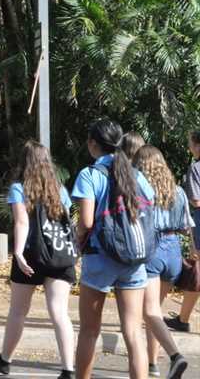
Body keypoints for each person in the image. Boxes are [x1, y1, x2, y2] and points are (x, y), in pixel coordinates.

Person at [0, 141, 76, 379]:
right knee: (60, 313)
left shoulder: (19, 188)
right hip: (59, 254)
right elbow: (66, 223)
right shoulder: (60, 190)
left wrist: (18, 253)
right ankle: (68, 369)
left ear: (24, 162)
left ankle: (5, 360)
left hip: (32, 254)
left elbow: (22, 222)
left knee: (18, 311)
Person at [72, 119, 156, 379]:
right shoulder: (137, 175)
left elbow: (86, 222)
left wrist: (76, 240)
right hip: (134, 259)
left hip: (100, 258)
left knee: (89, 331)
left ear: (93, 144)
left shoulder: (90, 175)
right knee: (133, 331)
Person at [133, 145, 190, 379]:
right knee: (155, 309)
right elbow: (188, 227)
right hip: (174, 250)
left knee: (150, 312)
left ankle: (176, 356)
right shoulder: (178, 191)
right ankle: (153, 364)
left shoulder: (142, 190)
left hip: (153, 250)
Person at [164, 129, 200, 333]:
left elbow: (195, 200)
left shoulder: (196, 168)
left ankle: (183, 319)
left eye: (190, 143)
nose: (189, 147)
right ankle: (183, 318)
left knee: (198, 272)